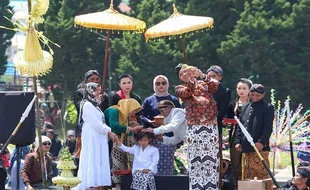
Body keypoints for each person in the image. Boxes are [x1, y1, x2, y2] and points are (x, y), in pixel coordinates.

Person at [175, 63, 219, 190]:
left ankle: (211, 187)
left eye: (186, 71)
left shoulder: (204, 84)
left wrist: (202, 75)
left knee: (210, 159)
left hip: (210, 125)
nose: (185, 74)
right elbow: (187, 92)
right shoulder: (179, 87)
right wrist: (191, 81)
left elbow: (215, 85)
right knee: (196, 160)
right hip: (194, 127)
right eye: (181, 74)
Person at [77, 82, 118, 190]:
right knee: (93, 158)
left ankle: (98, 184)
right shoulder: (87, 105)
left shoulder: (95, 105)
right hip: (92, 137)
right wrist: (109, 131)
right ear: (89, 91)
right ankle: (92, 184)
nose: (98, 93)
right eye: (95, 91)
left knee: (98, 159)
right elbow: (96, 124)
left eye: (99, 91)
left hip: (98, 137)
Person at [235, 84, 274, 190]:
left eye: (258, 95)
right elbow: (240, 126)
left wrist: (261, 142)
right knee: (248, 177)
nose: (255, 97)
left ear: (263, 95)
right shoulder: (245, 107)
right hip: (246, 148)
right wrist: (238, 141)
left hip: (260, 149)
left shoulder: (268, 107)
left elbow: (268, 127)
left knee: (262, 176)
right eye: (252, 95)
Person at [71, 69, 109, 175]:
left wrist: (101, 100)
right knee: (82, 154)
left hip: (99, 130)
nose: (95, 81)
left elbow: (105, 112)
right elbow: (81, 108)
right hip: (84, 129)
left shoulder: (103, 94)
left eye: (97, 79)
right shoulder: (79, 93)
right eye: (92, 79)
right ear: (86, 81)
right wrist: (94, 100)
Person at [142, 75, 181, 175]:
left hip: (168, 137)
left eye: (163, 83)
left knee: (167, 165)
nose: (161, 85)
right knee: (151, 165)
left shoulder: (174, 100)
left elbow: (179, 118)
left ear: (167, 85)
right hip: (152, 138)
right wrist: (150, 122)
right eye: (157, 83)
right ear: (154, 85)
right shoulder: (148, 100)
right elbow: (142, 116)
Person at [104, 98, 143, 189]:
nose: (134, 114)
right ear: (128, 106)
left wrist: (131, 126)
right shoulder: (113, 111)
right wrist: (131, 129)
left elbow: (124, 128)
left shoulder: (124, 115)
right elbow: (114, 126)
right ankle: (116, 186)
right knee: (116, 164)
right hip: (107, 141)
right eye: (134, 110)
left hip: (115, 141)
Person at [223, 78, 252, 188]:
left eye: (244, 88)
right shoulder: (232, 105)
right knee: (236, 163)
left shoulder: (253, 104)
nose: (241, 91)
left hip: (249, 135)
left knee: (248, 162)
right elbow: (227, 119)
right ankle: (236, 185)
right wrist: (225, 122)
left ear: (249, 90)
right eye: (239, 88)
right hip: (235, 135)